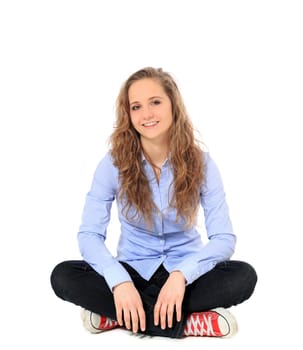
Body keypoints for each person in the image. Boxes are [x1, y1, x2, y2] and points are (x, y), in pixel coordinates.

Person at [50, 67, 257, 339]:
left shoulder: (203, 164)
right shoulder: (112, 164)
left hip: (185, 277)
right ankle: (188, 323)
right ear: (128, 115)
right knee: (63, 275)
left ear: (173, 104)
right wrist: (119, 281)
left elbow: (223, 238)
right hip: (133, 272)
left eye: (155, 102)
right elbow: (89, 235)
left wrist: (182, 275)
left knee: (243, 277)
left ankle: (118, 317)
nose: (146, 114)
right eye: (136, 106)